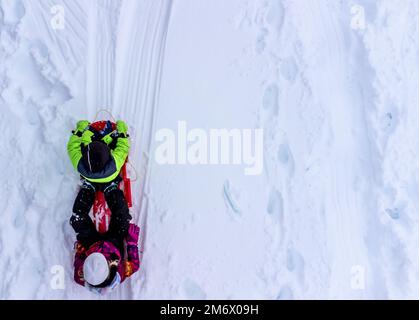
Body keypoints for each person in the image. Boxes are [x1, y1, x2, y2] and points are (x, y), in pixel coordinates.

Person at [67, 120, 140, 293]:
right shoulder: (121, 272)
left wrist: (81, 251)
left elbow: (78, 264)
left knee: (78, 216)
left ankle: (89, 189)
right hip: (113, 242)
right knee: (121, 216)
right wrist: (131, 242)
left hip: (91, 242)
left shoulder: (81, 274)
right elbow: (134, 265)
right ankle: (110, 189)